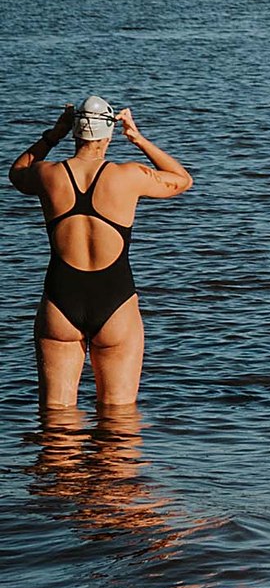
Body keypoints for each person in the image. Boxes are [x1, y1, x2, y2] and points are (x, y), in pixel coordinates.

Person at [10, 98, 193, 411]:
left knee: (56, 418)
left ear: (75, 133)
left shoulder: (48, 174)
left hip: (60, 300)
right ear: (108, 135)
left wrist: (53, 134)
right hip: (115, 301)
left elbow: (17, 172)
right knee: (118, 419)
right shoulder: (129, 176)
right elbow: (182, 180)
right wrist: (137, 138)